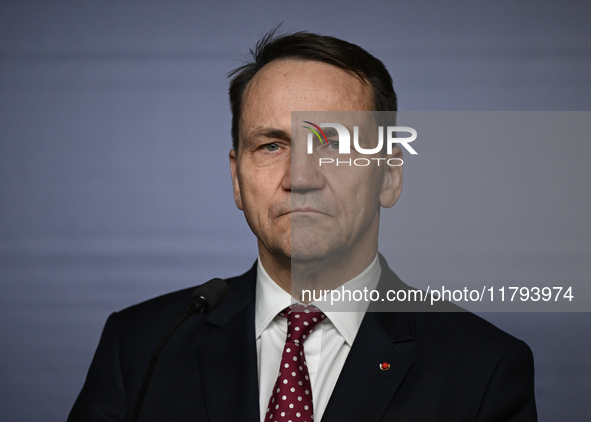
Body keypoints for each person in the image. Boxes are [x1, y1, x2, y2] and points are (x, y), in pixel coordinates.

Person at [68, 30, 537, 422]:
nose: (300, 178)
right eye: (271, 146)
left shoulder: (483, 368)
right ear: (237, 179)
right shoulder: (140, 346)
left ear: (389, 177)